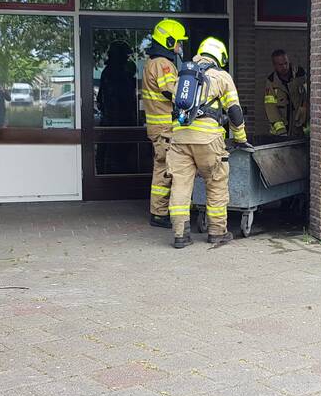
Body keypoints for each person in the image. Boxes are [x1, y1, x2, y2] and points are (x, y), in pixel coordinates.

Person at [167, 37, 252, 248]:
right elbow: (234, 111)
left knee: (180, 185)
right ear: (219, 56)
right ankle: (217, 232)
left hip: (179, 139)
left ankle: (180, 235)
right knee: (215, 184)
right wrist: (240, 138)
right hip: (207, 140)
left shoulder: (184, 76)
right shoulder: (221, 77)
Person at [141, 19, 187, 228]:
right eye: (178, 42)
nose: (179, 47)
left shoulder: (152, 62)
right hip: (165, 128)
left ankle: (159, 211)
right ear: (168, 41)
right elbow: (171, 92)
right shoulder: (163, 64)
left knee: (162, 167)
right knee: (165, 169)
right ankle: (159, 213)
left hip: (158, 127)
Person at [97, 41, 139, 173]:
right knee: (117, 157)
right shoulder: (117, 74)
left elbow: (100, 100)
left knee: (112, 154)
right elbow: (122, 100)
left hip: (112, 122)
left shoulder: (108, 73)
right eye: (125, 56)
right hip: (118, 122)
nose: (127, 59)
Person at [264, 49, 308, 137]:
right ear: (274, 65)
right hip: (282, 129)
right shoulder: (271, 82)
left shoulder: (300, 74)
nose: (284, 67)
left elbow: (309, 95)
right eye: (280, 65)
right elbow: (271, 108)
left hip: (300, 127)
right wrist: (281, 131)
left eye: (286, 63)